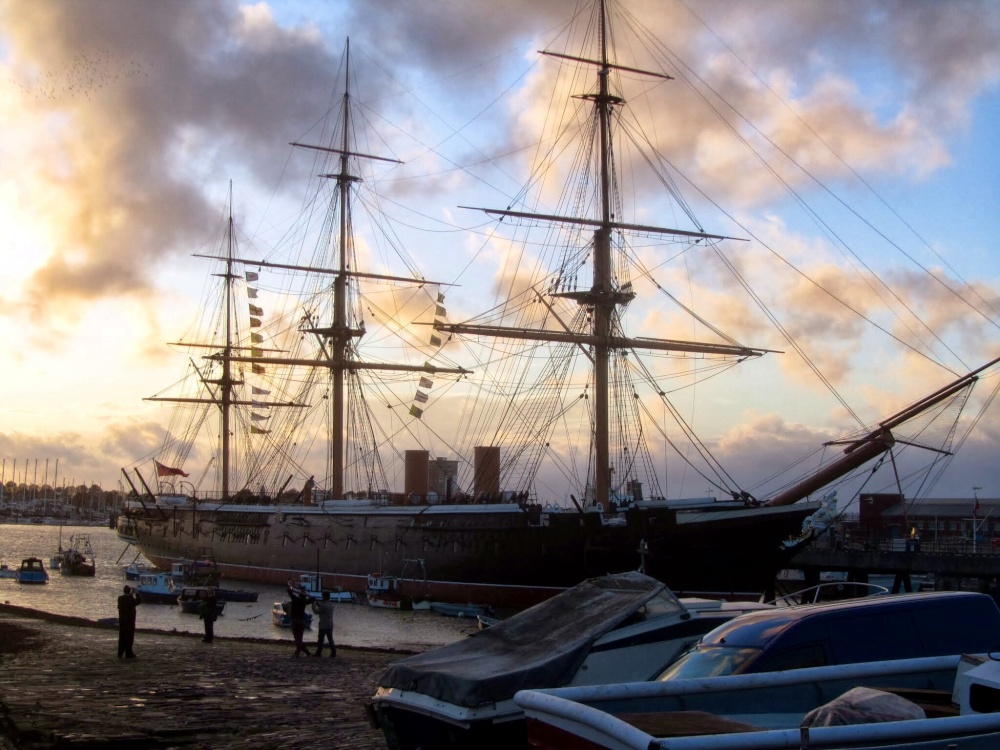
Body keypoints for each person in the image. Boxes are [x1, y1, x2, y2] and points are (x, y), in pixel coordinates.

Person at [286, 582, 312, 656]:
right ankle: (300, 652)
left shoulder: (295, 599)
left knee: (297, 639)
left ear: (299, 595)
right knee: (299, 638)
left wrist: (293, 589)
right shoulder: (304, 602)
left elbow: (289, 591)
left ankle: (305, 652)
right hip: (301, 621)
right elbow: (313, 598)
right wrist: (306, 594)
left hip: (295, 621)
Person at [117, 585, 141, 659]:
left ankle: (120, 653)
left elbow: (127, 599)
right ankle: (128, 653)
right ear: (129, 591)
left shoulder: (120, 598)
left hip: (122, 621)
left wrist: (131, 594)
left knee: (122, 637)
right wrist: (136, 593)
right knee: (129, 638)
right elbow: (139, 601)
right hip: (130, 622)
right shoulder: (131, 600)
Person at [312, 590, 337, 658]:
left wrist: (313, 604)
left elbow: (316, 611)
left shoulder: (323, 605)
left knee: (321, 639)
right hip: (330, 624)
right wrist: (319, 604)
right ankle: (333, 652)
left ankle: (318, 653)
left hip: (323, 624)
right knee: (330, 639)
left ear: (324, 596)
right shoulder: (331, 605)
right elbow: (324, 608)